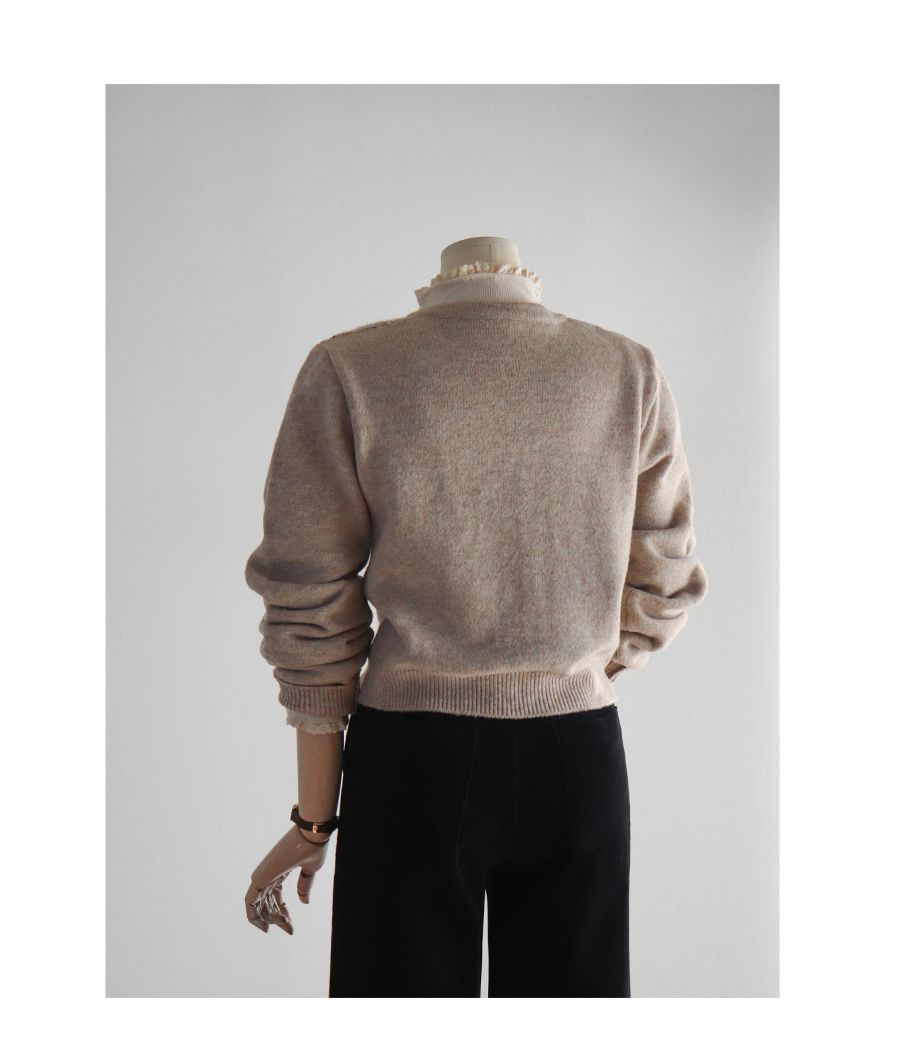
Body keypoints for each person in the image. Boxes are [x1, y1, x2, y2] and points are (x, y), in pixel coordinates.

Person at [243, 236, 709, 996]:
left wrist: (314, 821)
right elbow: (666, 573)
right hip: (577, 757)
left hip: (410, 762)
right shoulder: (625, 371)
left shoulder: (353, 368)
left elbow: (308, 591)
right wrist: (571, 666)